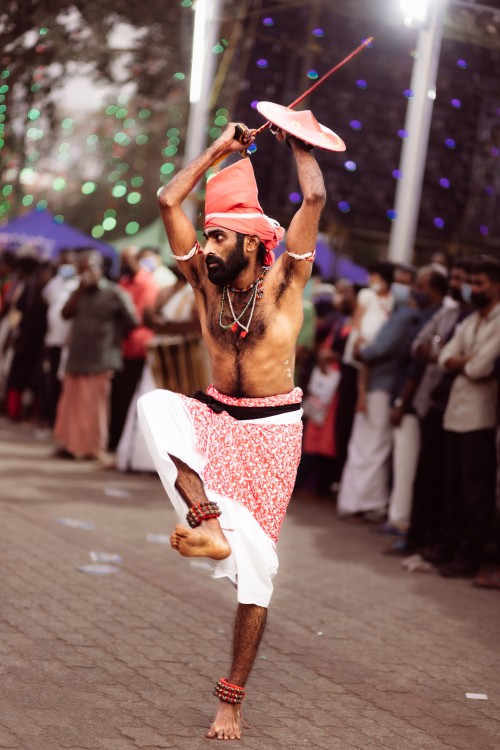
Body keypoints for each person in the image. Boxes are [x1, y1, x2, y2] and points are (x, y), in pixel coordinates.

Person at [137, 121, 326, 740]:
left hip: (273, 436)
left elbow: (314, 200)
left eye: (218, 236)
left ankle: (232, 698)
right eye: (208, 234)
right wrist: (220, 150)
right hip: (217, 416)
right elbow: (168, 199)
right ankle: (208, 523)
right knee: (157, 408)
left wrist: (298, 140)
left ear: (250, 243)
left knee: (258, 575)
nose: (207, 246)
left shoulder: (284, 286)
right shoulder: (203, 286)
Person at [429, 256, 500, 577]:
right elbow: (444, 356)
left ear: (496, 287)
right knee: (452, 488)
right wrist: (461, 360)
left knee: (475, 492)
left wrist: (461, 361)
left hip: (480, 418)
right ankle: (450, 547)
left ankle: (469, 555)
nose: (473, 289)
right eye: (473, 283)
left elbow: (479, 366)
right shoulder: (472, 320)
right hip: (455, 414)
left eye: (480, 284)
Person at [53, 251, 138, 460]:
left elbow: (133, 321)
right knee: (71, 404)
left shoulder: (115, 293)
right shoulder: (79, 292)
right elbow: (65, 314)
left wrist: (114, 334)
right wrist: (79, 291)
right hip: (77, 356)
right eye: (82, 270)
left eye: (90, 268)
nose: (86, 273)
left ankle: (91, 448)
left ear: (101, 269)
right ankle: (70, 445)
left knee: (94, 406)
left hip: (101, 357)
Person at [108, 246, 159, 452]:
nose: (123, 265)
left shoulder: (147, 284)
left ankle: (121, 442)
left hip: (137, 347)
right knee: (115, 395)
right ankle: (113, 439)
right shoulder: (123, 282)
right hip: (118, 346)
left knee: (128, 396)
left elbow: (138, 317)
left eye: (127, 260)